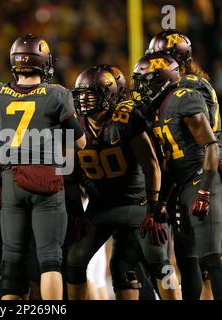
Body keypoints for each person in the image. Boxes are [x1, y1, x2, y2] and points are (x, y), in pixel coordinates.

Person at [0, 34, 86, 300]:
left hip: (10, 180)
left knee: (11, 258)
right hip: (47, 181)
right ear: (44, 63)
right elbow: (81, 142)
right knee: (50, 258)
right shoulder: (57, 94)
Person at [66, 66, 180, 300]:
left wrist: (154, 207)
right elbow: (69, 175)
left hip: (137, 205)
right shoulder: (74, 124)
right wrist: (77, 212)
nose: (83, 101)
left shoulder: (125, 118)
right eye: (80, 95)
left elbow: (151, 165)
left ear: (109, 96)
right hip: (100, 206)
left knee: (159, 261)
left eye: (91, 95)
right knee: (74, 260)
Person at [147, 30, 222, 300]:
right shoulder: (187, 84)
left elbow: (204, 139)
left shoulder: (188, 88)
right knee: (195, 253)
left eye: (160, 60)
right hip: (190, 171)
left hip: (205, 170)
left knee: (211, 252)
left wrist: (204, 184)